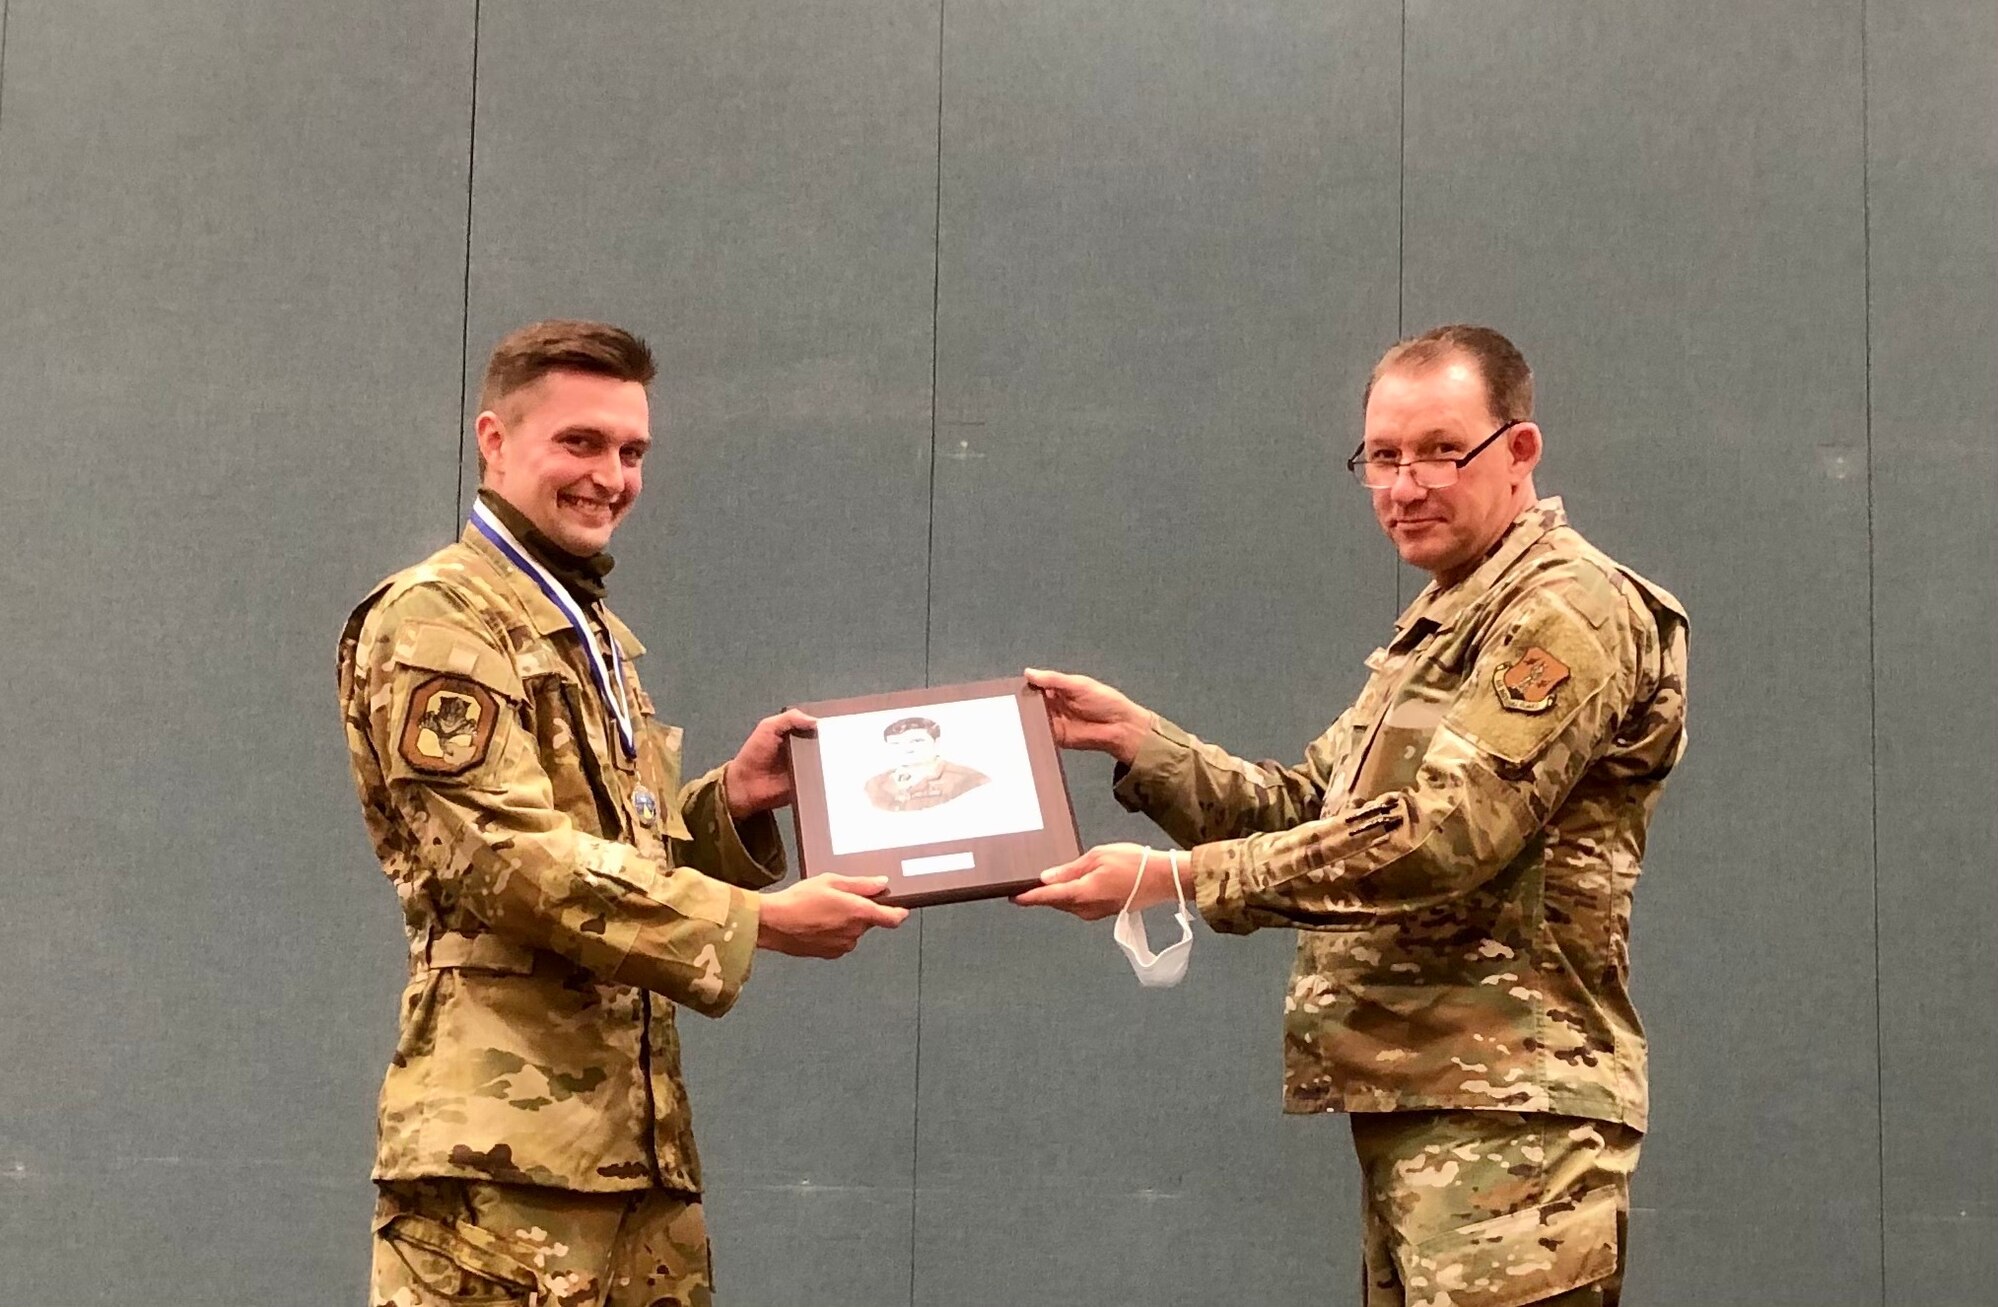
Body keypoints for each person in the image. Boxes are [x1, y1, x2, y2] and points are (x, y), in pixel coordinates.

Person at [1019, 324, 1688, 1306]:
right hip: (1435, 1104)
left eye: (1437, 450)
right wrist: (1138, 742)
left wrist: (1177, 879)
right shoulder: (1446, 625)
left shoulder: (1566, 609)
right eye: (1381, 456)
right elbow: (1308, 806)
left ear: (1518, 451)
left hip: (1511, 1120)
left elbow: (1437, 836)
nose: (1404, 483)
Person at [337, 320, 906, 1307]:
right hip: (499, 1170)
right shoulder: (437, 619)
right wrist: (758, 922)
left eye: (631, 450)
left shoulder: (584, 625)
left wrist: (729, 804)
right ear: (495, 438)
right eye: (580, 442)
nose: (610, 475)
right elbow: (504, 860)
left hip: (633, 1159)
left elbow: (608, 852)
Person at [861, 715, 992, 812]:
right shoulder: (874, 784)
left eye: (917, 741)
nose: (907, 749)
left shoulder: (970, 780)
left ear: (936, 742)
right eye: (896, 743)